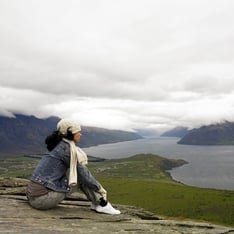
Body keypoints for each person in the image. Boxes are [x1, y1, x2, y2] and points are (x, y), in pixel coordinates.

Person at [26, 118, 121, 215]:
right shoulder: (66, 150)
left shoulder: (58, 144)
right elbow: (84, 175)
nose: (80, 134)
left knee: (74, 173)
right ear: (69, 133)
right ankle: (102, 204)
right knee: (79, 177)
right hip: (41, 199)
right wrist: (100, 189)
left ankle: (97, 203)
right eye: (77, 132)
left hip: (34, 195)